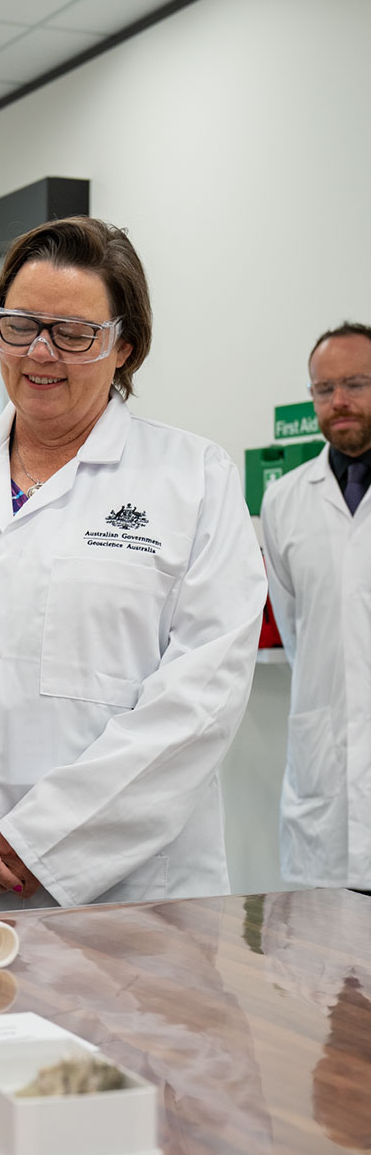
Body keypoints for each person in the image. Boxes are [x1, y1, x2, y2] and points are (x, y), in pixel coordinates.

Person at [0, 216, 266, 919]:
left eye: (74, 333)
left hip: (119, 895)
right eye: (19, 324)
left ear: (124, 346)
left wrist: (42, 840)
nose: (40, 352)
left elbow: (200, 697)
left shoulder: (194, 480)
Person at [260, 323, 371, 890]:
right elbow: (297, 625)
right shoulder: (284, 499)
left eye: (355, 383)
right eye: (324, 389)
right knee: (323, 967)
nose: (340, 401)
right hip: (322, 771)